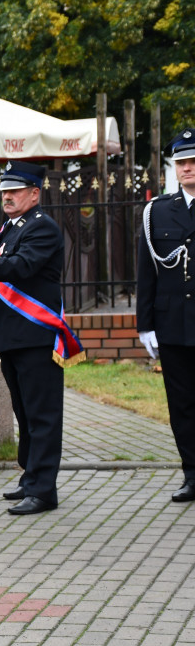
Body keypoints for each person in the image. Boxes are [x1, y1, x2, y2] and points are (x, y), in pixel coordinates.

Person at [0, 161, 66, 516]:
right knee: (23, 410)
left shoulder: (43, 228)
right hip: (13, 336)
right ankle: (30, 477)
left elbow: (22, 267)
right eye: (4, 189)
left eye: (15, 190)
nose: (6, 195)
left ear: (35, 194)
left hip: (35, 335)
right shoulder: (9, 228)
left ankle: (44, 489)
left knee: (42, 414)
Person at [137, 128, 195, 503]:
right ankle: (192, 474)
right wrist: (145, 326)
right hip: (173, 325)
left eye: (193, 162)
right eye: (182, 163)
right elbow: (147, 272)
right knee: (182, 404)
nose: (188, 169)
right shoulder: (157, 211)